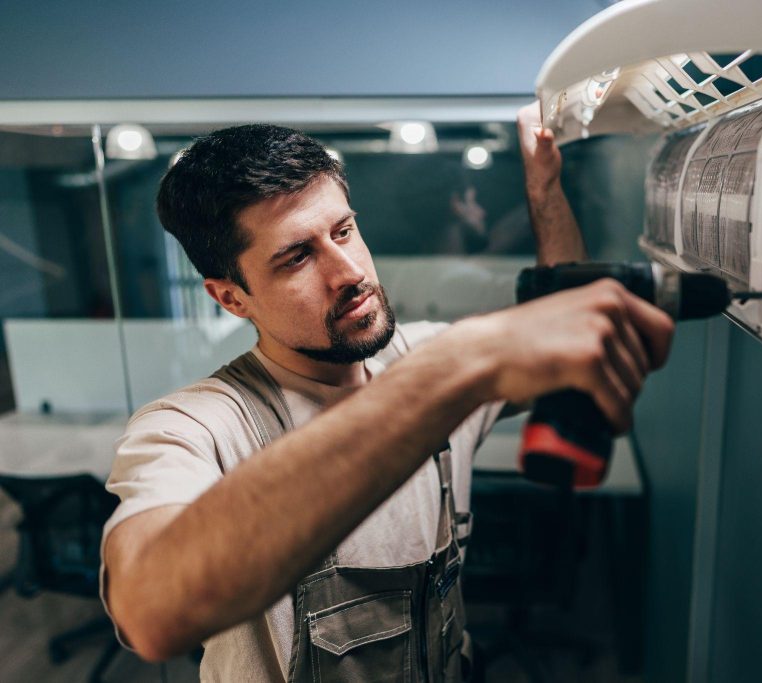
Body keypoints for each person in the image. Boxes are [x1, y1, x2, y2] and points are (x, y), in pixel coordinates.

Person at [100, 104, 674, 682]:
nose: (348, 271)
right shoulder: (194, 425)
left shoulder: (428, 362)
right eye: (297, 257)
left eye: (344, 230)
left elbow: (558, 337)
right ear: (232, 298)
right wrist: (458, 364)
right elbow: (150, 610)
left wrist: (545, 191)